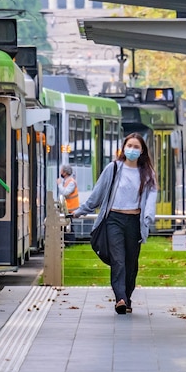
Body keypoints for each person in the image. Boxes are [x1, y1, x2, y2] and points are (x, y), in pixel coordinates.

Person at [72, 133, 157, 315]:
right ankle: (120, 298)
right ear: (123, 148)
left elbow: (151, 196)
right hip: (114, 220)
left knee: (131, 263)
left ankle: (127, 296)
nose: (132, 150)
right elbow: (98, 193)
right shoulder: (114, 168)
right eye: (129, 146)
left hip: (134, 221)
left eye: (136, 147)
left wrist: (149, 216)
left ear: (142, 151)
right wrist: (81, 210)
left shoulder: (147, 173)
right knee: (118, 259)